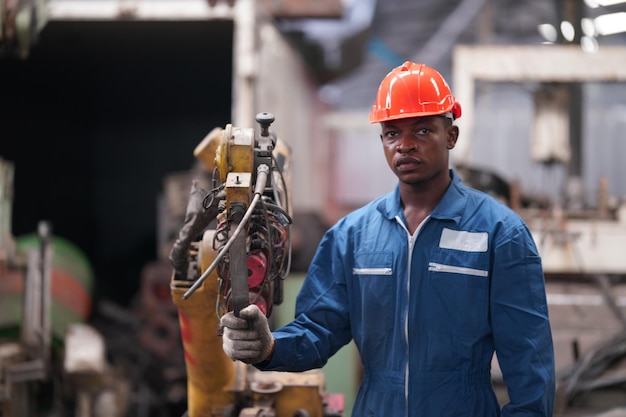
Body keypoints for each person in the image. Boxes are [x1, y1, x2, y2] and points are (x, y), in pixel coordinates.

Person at [220, 61, 555, 416]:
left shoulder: (499, 233)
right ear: (382, 140)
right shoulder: (352, 237)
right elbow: (318, 329)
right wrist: (268, 347)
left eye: (423, 131)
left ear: (451, 136)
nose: (405, 145)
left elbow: (528, 360)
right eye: (393, 133)